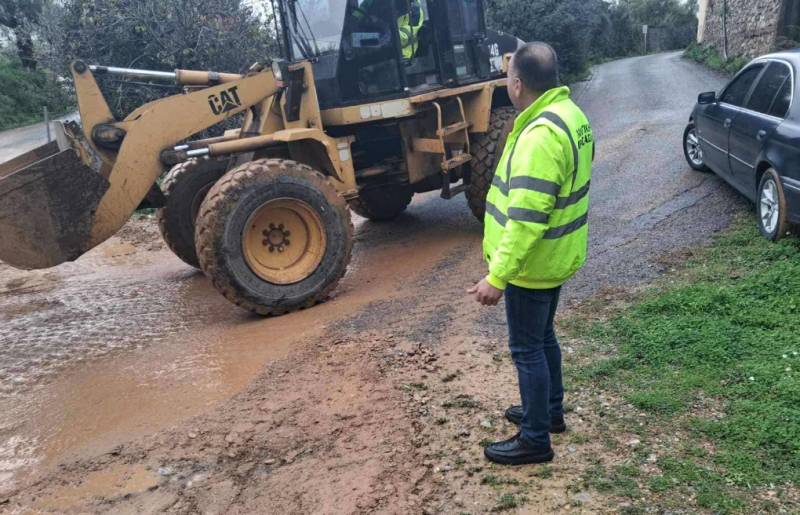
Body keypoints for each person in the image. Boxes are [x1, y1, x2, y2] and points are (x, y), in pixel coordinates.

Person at [468, 42, 594, 466]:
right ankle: (549, 412)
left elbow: (525, 219)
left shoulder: (540, 136)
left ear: (517, 84)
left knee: (527, 350)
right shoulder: (570, 115)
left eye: (507, 77)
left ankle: (535, 438)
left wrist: (497, 277)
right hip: (555, 257)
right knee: (543, 339)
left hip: (531, 265)